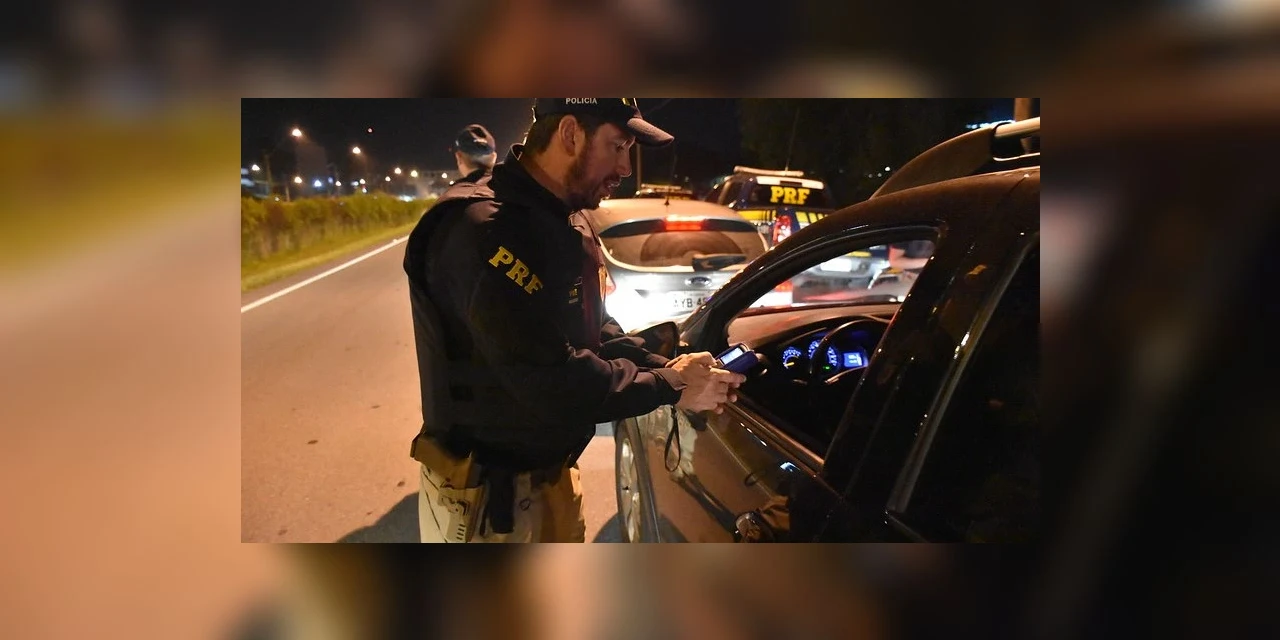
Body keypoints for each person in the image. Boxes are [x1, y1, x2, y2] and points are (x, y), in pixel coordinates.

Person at [404, 98, 745, 543]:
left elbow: (592, 329)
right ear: (569, 134)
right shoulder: (483, 229)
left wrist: (665, 361)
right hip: (491, 499)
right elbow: (551, 378)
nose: (625, 167)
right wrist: (670, 386)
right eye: (617, 147)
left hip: (549, 475)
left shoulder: (561, 217)